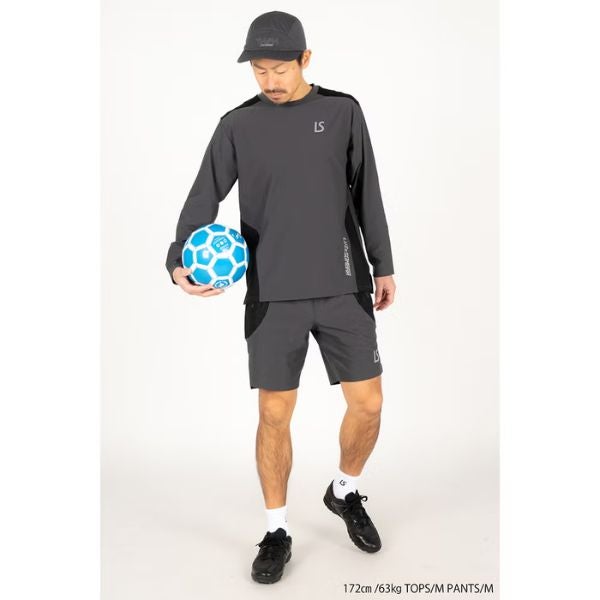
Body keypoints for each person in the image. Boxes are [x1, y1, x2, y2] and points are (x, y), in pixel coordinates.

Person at [165, 10, 396, 584]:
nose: (269, 80)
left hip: (344, 285)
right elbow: (202, 198)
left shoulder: (342, 112)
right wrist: (177, 261)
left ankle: (345, 491)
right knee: (274, 413)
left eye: (280, 68)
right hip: (273, 294)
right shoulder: (237, 125)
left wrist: (383, 264)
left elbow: (367, 190)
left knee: (368, 404)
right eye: (259, 70)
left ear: (305, 60)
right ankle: (275, 531)